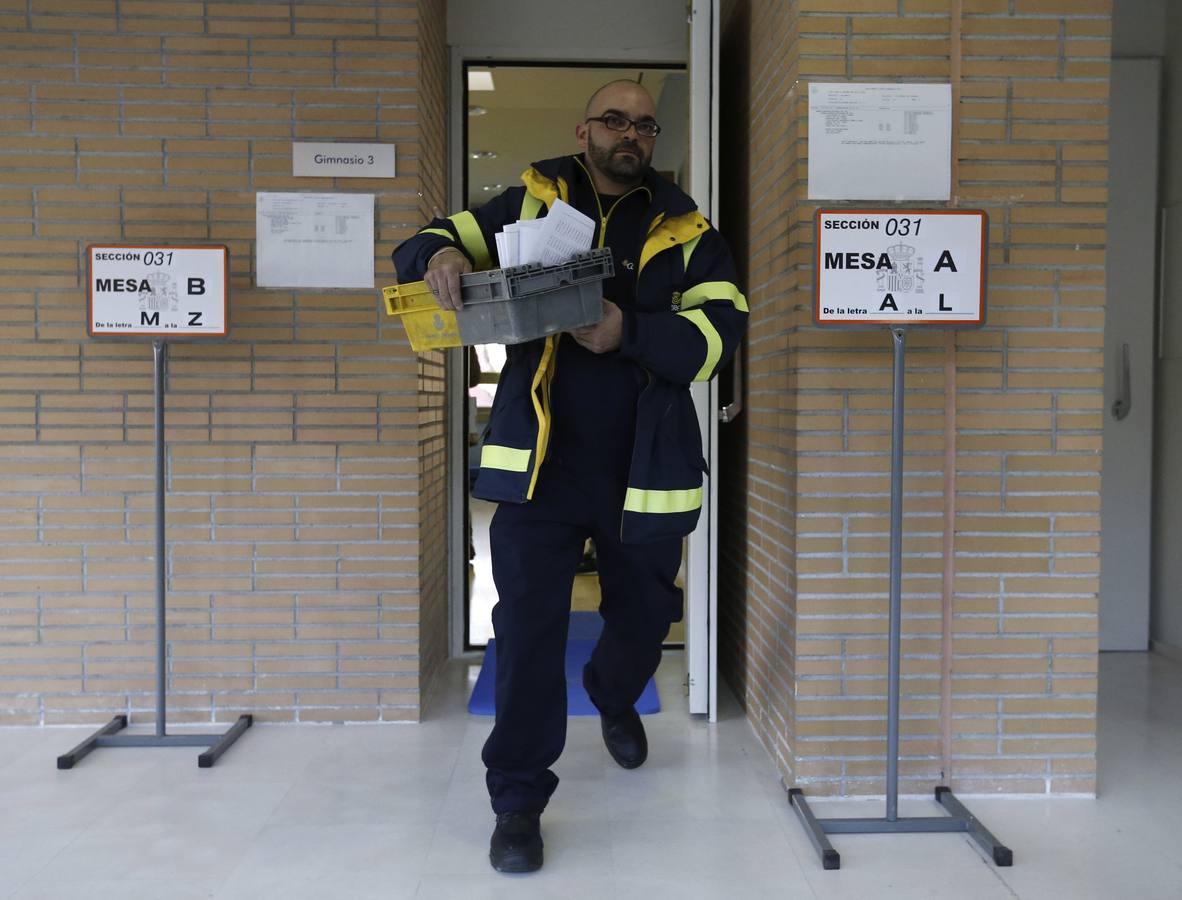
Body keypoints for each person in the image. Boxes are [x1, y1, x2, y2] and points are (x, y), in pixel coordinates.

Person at [392, 79, 747, 874]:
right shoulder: (526, 204)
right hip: (540, 473)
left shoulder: (691, 230)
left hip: (646, 470)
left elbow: (720, 338)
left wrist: (629, 330)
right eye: (615, 120)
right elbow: (423, 240)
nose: (631, 134)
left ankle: (615, 693)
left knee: (645, 614)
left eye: (645, 125)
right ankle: (517, 799)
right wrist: (442, 254)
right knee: (523, 632)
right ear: (584, 127)